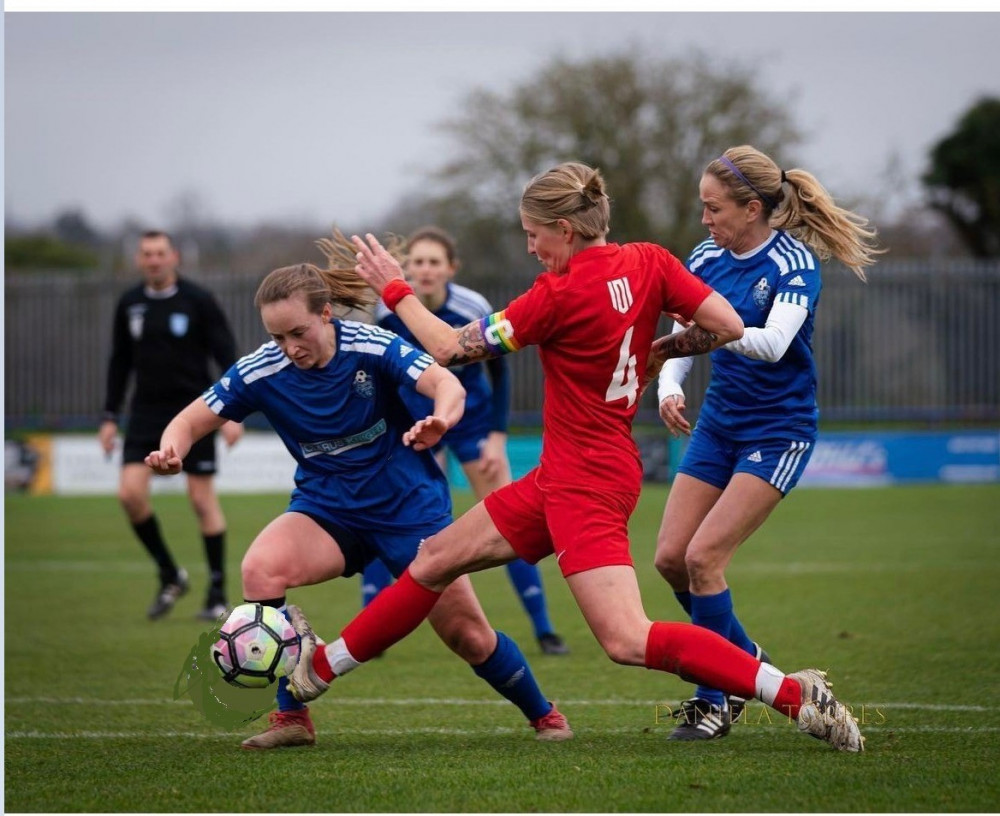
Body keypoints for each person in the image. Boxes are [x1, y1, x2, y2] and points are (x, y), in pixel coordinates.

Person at [285, 162, 865, 753]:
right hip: (572, 471)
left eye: (533, 234)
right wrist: (665, 348)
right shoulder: (652, 261)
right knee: (433, 559)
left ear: (565, 228)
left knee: (628, 640)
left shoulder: (556, 295)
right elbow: (727, 323)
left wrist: (395, 288)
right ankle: (316, 673)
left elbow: (446, 346)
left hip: (585, 482)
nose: (531, 247)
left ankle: (797, 696)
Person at [145, 233, 573, 750]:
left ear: (326, 314)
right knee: (261, 569)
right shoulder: (263, 369)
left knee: (469, 636)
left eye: (297, 332)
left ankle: (544, 714)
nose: (289, 348)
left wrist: (441, 418)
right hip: (328, 510)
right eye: (277, 337)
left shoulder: (371, 345)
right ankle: (292, 718)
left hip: (408, 510)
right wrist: (172, 450)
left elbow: (448, 384)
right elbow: (189, 421)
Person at [653, 145, 882, 741]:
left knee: (705, 560)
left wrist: (708, 337)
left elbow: (773, 344)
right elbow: (679, 337)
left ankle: (716, 698)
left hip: (777, 431)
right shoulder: (704, 256)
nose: (705, 220)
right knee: (671, 559)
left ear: (751, 208)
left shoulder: (793, 263)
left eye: (714, 208)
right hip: (719, 424)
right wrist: (668, 386)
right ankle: (752, 665)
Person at [362, 225, 569, 656]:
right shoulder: (388, 315)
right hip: (416, 424)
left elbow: (500, 371)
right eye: (417, 261)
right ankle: (371, 625)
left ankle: (545, 629)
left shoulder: (471, 305)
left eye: (434, 261)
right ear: (408, 268)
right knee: (396, 517)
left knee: (513, 522)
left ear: (451, 268)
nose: (425, 269)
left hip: (472, 423)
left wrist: (497, 435)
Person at [99, 230, 243, 621]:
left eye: (160, 253)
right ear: (139, 259)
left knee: (201, 500)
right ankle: (170, 573)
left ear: (174, 256)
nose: (154, 260)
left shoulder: (198, 300)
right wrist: (110, 416)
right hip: (144, 413)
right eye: (147, 254)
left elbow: (227, 355)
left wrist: (230, 413)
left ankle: (216, 592)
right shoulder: (129, 304)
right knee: (129, 495)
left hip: (195, 412)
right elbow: (119, 362)